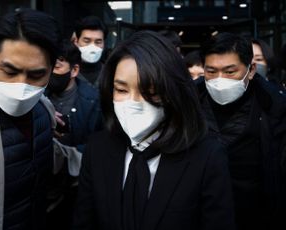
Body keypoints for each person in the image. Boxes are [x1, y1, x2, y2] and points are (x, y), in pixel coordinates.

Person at [73, 30, 235, 230]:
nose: (133, 102)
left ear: (173, 92)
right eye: (121, 90)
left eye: (150, 92)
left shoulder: (207, 156)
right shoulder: (98, 149)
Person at [0, 9, 61, 230]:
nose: (21, 86)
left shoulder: (44, 109)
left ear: (51, 70)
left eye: (36, 75)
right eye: (9, 71)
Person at [197, 32, 286, 230]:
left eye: (230, 72)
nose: (220, 80)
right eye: (211, 71)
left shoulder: (275, 108)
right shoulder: (188, 104)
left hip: (258, 215)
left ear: (251, 70)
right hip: (200, 214)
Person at [45, 40, 103, 229]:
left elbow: (102, 143)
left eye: (58, 64)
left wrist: (69, 154)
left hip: (78, 188)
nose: (51, 70)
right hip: (45, 190)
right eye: (48, 64)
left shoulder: (95, 101)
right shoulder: (38, 99)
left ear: (75, 70)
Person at [72, 15, 108, 88]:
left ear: (104, 43)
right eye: (87, 41)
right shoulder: (67, 74)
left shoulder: (112, 73)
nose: (92, 47)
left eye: (98, 42)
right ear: (76, 41)